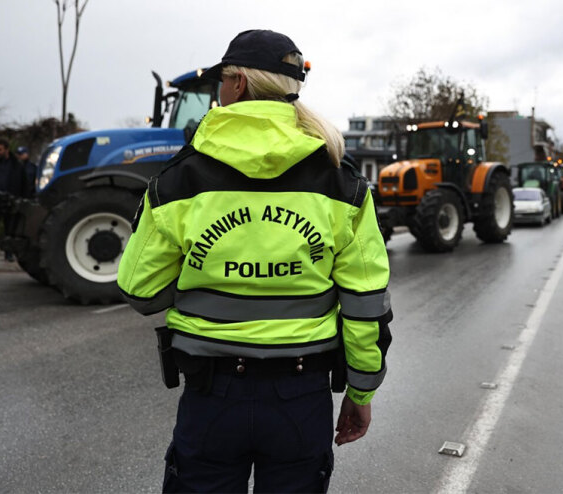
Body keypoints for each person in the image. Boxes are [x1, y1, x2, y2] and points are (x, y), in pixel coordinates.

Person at [117, 29, 392, 493]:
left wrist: (207, 271)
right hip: (301, 398)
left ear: (238, 84)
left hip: (211, 397)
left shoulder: (181, 178)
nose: (218, 91)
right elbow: (365, 303)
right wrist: (361, 392)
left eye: (221, 81)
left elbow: (140, 291)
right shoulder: (340, 181)